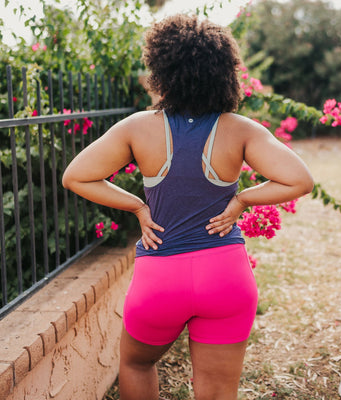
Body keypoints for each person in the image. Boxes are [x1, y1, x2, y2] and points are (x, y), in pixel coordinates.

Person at [62, 14, 314, 400]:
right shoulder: (240, 129)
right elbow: (300, 179)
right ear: (224, 72)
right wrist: (241, 199)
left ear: (162, 70)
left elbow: (76, 176)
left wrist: (138, 208)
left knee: (136, 363)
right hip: (226, 278)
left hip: (160, 278)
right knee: (215, 392)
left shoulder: (138, 127)